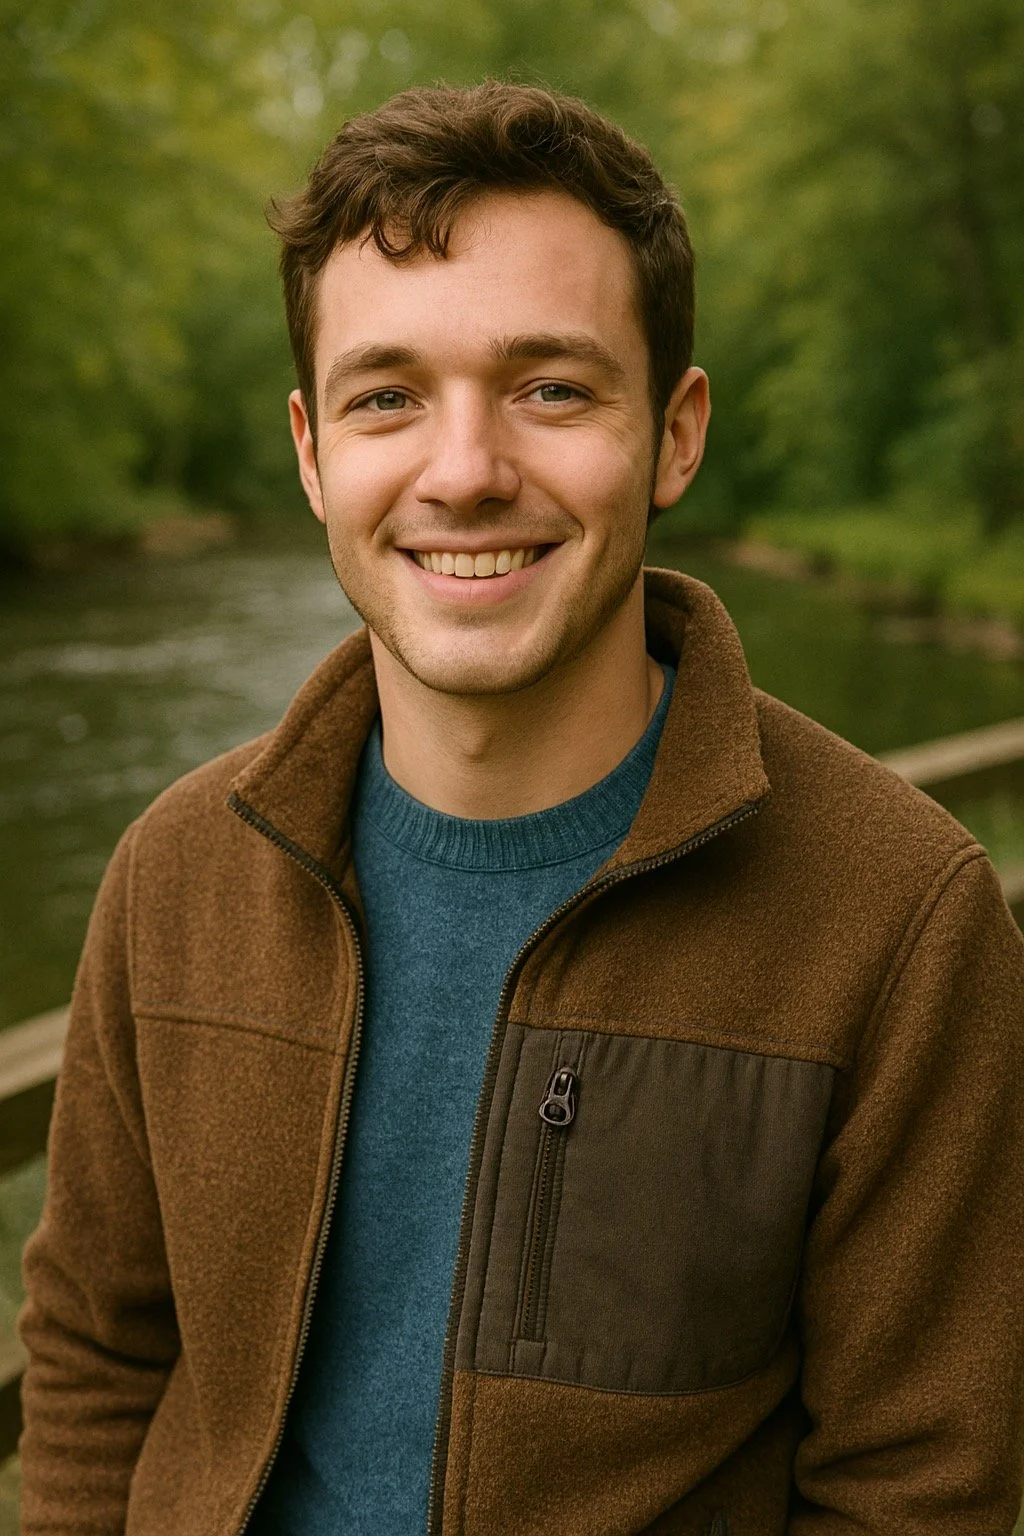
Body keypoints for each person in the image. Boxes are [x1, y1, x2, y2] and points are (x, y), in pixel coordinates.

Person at [17, 81, 1024, 1536]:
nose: (467, 471)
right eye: (388, 397)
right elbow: (99, 1366)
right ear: (313, 454)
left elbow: (919, 1495)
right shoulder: (174, 873)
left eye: (552, 388)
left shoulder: (903, 921)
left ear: (674, 436)